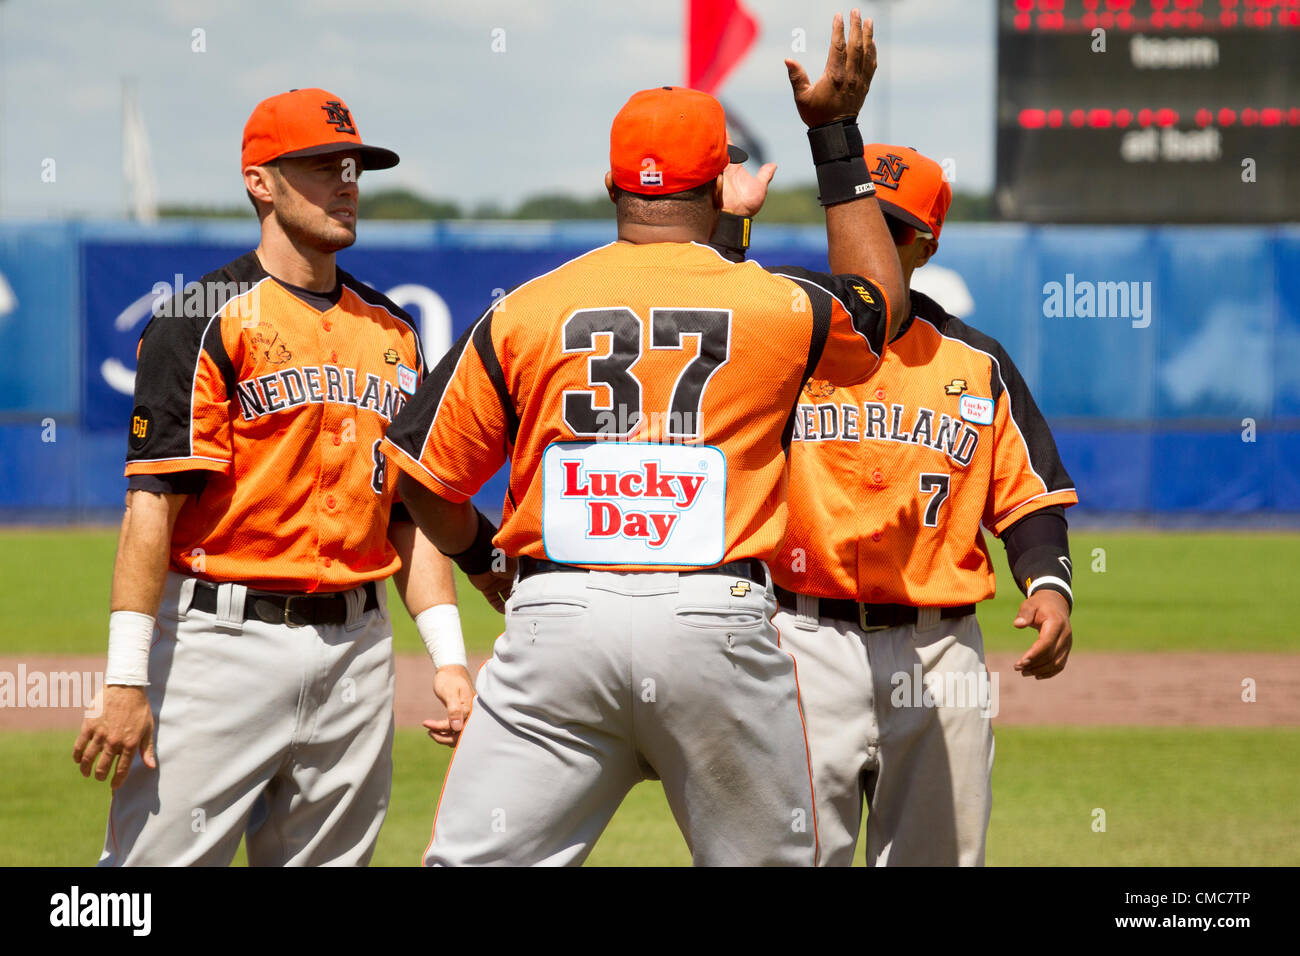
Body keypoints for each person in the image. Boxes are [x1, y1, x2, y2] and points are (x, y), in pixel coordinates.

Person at [383, 12, 905, 866]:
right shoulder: (777, 304)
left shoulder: (526, 307)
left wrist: (488, 568)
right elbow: (879, 309)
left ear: (609, 184)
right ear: (719, 180)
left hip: (559, 618)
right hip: (715, 618)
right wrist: (834, 137)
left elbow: (419, 476)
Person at [73, 88, 474, 866]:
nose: (347, 183)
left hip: (358, 648)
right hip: (218, 646)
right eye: (322, 167)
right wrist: (126, 680)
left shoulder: (391, 329)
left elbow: (408, 515)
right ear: (261, 181)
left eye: (352, 166)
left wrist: (450, 658)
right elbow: (149, 508)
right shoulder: (202, 317)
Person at [760, 144, 1079, 865]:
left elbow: (1030, 497)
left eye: (893, 227)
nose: (872, 239)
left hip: (940, 653)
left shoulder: (977, 363)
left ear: (927, 246)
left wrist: (1051, 586)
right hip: (802, 640)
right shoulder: (787, 344)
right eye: (859, 216)